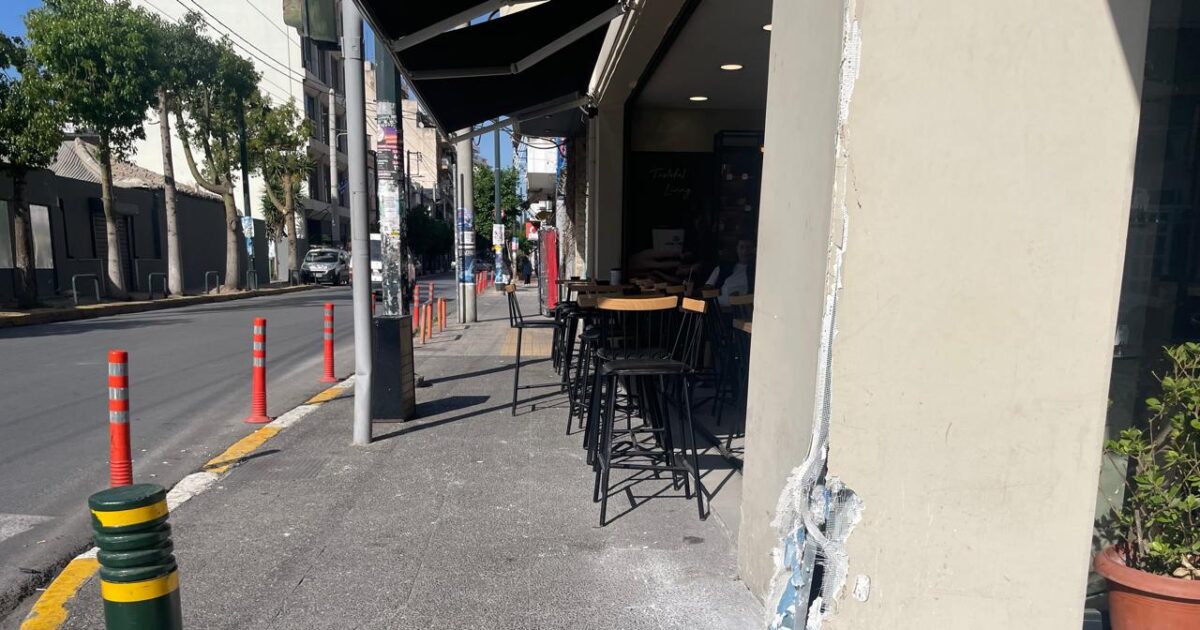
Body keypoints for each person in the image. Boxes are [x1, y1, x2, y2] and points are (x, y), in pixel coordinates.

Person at [704, 237, 756, 306]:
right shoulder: (722, 268)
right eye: (741, 247)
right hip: (719, 309)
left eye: (748, 247)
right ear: (737, 249)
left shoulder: (758, 271)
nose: (745, 251)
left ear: (753, 250)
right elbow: (707, 287)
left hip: (745, 309)